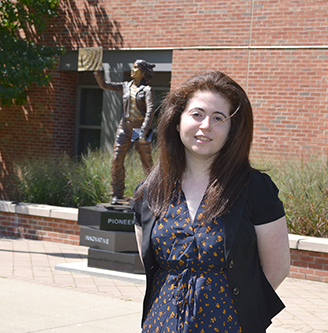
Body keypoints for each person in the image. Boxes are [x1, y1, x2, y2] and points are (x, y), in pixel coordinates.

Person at [131, 70, 291, 333]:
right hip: (160, 325)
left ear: (232, 129)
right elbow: (150, 262)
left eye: (218, 118)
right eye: (197, 114)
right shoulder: (149, 192)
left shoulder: (255, 189)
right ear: (177, 120)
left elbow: (278, 268)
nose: (205, 126)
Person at [94, 60, 156, 205]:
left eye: (136, 68)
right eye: (133, 67)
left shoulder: (147, 90)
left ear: (143, 72)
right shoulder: (125, 86)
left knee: (146, 161)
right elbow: (104, 85)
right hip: (125, 126)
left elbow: (150, 110)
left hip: (140, 127)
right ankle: (117, 194)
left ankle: (153, 192)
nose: (132, 70)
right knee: (116, 158)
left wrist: (144, 130)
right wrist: (97, 72)